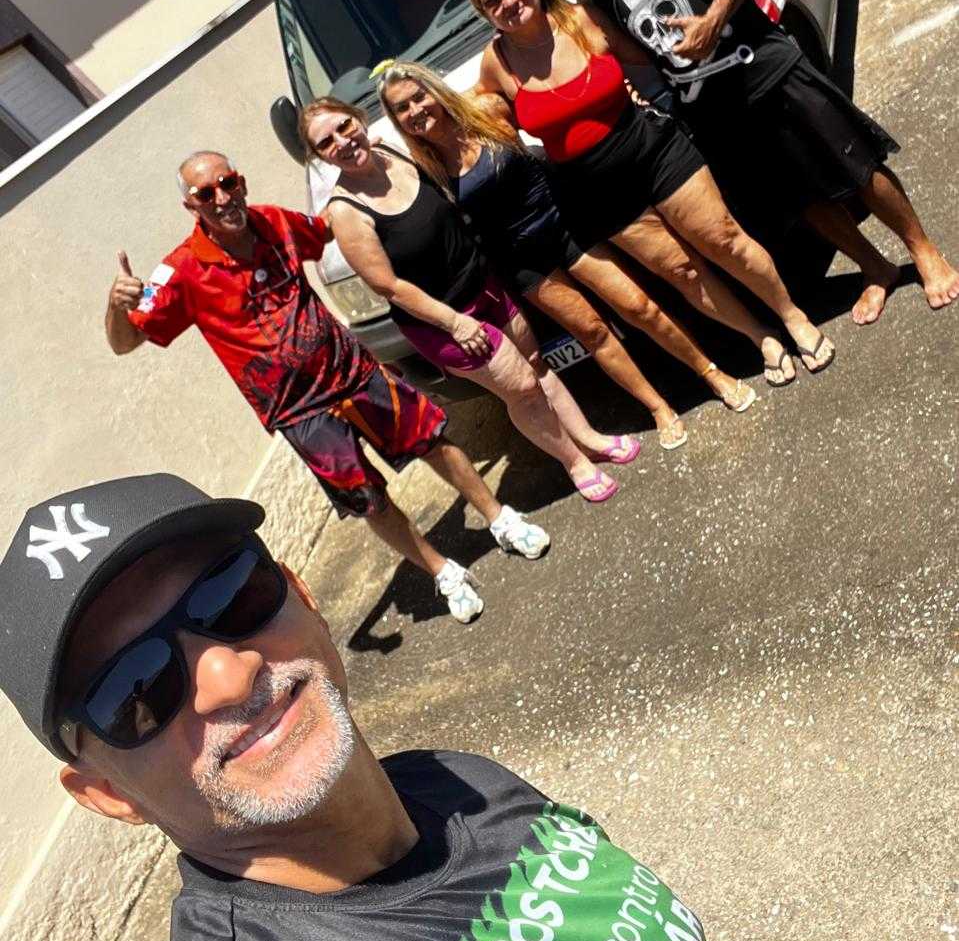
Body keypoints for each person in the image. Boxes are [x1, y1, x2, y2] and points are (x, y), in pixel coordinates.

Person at [0, 471, 761, 941]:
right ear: (108, 795)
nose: (228, 675)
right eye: (133, 689)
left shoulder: (451, 781)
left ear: (301, 594)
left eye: (229, 593)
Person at [103, 150, 551, 624]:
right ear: (191, 206)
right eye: (205, 193)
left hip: (353, 371)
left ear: (242, 182)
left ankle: (500, 518)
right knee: (368, 499)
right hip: (299, 412)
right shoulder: (181, 271)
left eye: (228, 183)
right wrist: (116, 306)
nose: (222, 198)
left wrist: (378, 193)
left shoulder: (276, 222)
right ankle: (443, 572)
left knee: (432, 441)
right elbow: (125, 343)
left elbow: (330, 230)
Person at [511, 0, 959, 325]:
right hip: (711, 109)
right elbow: (634, 55)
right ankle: (874, 267)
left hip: (763, 64)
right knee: (799, 195)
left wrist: (713, 20)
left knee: (854, 162)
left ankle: (923, 252)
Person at [467, 0, 835, 385]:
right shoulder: (497, 62)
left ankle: (792, 315)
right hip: (596, 189)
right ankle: (760, 336)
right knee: (683, 272)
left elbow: (650, 55)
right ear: (484, 12)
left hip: (653, 149)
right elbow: (472, 109)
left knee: (724, 239)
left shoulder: (582, 19)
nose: (509, 1)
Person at [377, 58, 761, 450]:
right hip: (524, 261)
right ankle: (658, 407)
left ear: (434, 91)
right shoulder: (423, 168)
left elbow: (551, 116)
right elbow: (382, 182)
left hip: (565, 224)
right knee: (593, 332)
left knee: (639, 306)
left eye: (418, 97)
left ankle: (710, 373)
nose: (415, 110)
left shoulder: (487, 111)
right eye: (401, 108)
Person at [301, 98, 632, 503]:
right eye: (326, 142)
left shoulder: (394, 152)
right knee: (522, 388)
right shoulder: (346, 212)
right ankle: (575, 463)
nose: (342, 141)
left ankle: (591, 440)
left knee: (536, 365)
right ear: (319, 156)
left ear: (359, 119)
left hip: (484, 286)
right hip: (442, 321)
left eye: (344, 126)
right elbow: (389, 287)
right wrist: (455, 323)